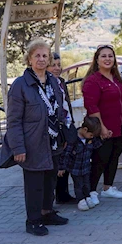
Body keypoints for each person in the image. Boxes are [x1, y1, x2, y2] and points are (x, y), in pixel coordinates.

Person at [0, 39, 70, 236]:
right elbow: (13, 120)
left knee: (50, 181)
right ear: (29, 59)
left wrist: (63, 134)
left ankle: (47, 212)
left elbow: (59, 110)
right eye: (37, 55)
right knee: (34, 185)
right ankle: (33, 220)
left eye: (44, 55)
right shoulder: (20, 85)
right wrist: (18, 148)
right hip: (32, 143)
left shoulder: (53, 81)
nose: (41, 59)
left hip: (53, 142)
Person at [82, 45, 122, 203]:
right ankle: (90, 191)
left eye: (110, 56)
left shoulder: (117, 79)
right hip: (103, 128)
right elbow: (92, 106)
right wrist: (102, 128)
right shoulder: (92, 81)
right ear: (97, 59)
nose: (107, 59)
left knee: (114, 157)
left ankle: (108, 187)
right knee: (99, 160)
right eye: (104, 56)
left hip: (120, 126)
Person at [59, 116, 103, 211]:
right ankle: (81, 200)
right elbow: (66, 154)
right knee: (78, 185)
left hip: (86, 167)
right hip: (75, 168)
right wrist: (61, 167)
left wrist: (102, 139)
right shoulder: (73, 139)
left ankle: (87, 197)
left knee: (87, 184)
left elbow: (96, 145)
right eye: (91, 135)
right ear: (85, 130)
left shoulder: (90, 139)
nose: (92, 138)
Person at [49, 52, 77, 204]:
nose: (57, 68)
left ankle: (63, 193)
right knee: (57, 162)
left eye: (59, 65)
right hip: (56, 128)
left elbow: (66, 104)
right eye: (53, 65)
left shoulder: (61, 81)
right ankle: (55, 195)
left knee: (67, 158)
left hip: (67, 124)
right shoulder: (46, 84)